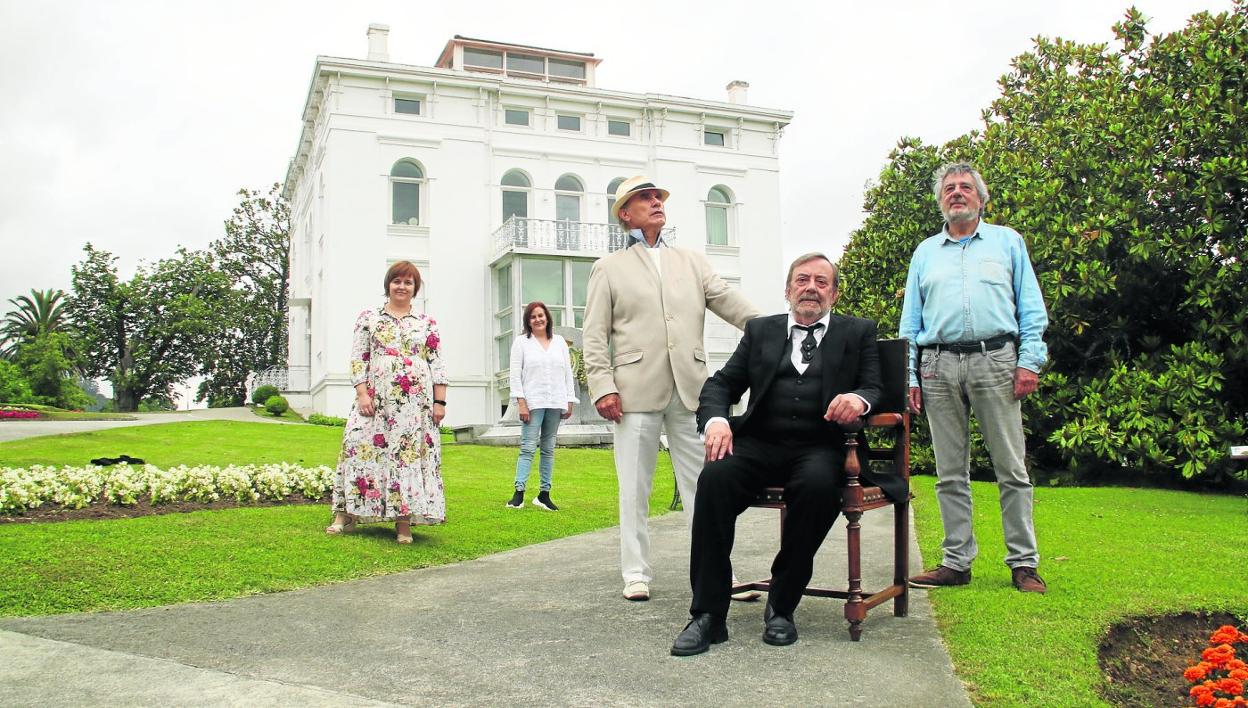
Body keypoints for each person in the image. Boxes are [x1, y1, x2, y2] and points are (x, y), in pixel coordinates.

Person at [671, 253, 904, 655]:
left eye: (821, 281)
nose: (810, 287)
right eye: (802, 280)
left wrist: (857, 400)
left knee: (817, 487)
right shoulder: (760, 330)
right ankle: (708, 615)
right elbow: (722, 383)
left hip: (822, 445)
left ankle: (781, 605)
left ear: (833, 292)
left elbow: (873, 386)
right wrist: (716, 421)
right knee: (714, 480)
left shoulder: (857, 332)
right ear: (788, 289)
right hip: (760, 443)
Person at [583, 175, 761, 602]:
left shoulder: (692, 262)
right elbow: (594, 334)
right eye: (644, 198)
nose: (655, 202)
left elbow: (729, 303)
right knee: (635, 487)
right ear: (625, 213)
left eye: (658, 197)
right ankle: (635, 573)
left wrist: (776, 329)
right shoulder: (609, 268)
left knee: (705, 486)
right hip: (632, 392)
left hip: (692, 391)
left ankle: (717, 573)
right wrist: (602, 386)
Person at [900, 162, 1049, 594]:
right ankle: (956, 562)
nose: (957, 193)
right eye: (949, 188)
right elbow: (911, 322)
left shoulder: (1007, 242)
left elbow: (1031, 308)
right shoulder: (925, 253)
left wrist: (1030, 361)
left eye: (966, 187)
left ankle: (1023, 564)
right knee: (949, 472)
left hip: (996, 360)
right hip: (938, 366)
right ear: (940, 200)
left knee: (1011, 468)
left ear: (981, 198)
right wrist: (910, 375)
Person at [326, 260, 449, 543]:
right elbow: (359, 358)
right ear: (388, 285)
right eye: (397, 281)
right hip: (376, 399)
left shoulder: (427, 323)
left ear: (415, 288)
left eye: (408, 282)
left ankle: (403, 523)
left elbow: (437, 363)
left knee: (405, 456)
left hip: (413, 405)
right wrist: (362, 393)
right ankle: (345, 514)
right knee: (357, 447)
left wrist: (439, 402)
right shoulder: (369, 318)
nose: (402, 286)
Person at [506, 300, 577, 511]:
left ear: (547, 317)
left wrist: (569, 400)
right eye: (533, 316)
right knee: (527, 448)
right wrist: (521, 402)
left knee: (548, 449)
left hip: (555, 401)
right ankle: (518, 493)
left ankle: (544, 494)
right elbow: (515, 374)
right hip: (533, 402)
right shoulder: (521, 342)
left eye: (541, 315)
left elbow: (567, 373)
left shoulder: (560, 342)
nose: (538, 319)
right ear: (528, 321)